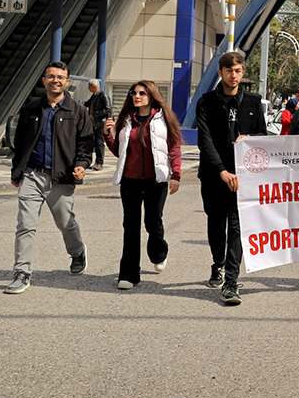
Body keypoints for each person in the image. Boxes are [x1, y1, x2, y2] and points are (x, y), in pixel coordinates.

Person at [5, 61, 92, 294]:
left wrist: (82, 165)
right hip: (32, 175)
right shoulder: (31, 109)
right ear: (44, 80)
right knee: (26, 224)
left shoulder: (78, 111)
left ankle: (77, 252)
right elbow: (21, 144)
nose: (55, 80)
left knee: (65, 223)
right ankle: (22, 273)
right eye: (51, 76)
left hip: (61, 177)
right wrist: (17, 172)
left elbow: (85, 143)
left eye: (60, 77)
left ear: (67, 81)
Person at [195, 51, 269, 305]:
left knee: (237, 227)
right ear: (220, 73)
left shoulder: (253, 102)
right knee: (216, 224)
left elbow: (262, 134)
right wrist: (221, 170)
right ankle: (218, 262)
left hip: (243, 175)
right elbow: (204, 141)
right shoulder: (206, 102)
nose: (233, 75)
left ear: (243, 72)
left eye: (237, 71)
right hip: (215, 174)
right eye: (229, 71)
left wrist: (250, 140)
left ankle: (231, 282)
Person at [104, 80, 182, 290]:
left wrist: (176, 174)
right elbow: (119, 151)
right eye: (134, 93)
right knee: (130, 225)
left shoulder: (164, 118)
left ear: (151, 96)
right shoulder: (126, 119)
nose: (136, 96)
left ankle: (158, 253)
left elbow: (173, 148)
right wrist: (106, 135)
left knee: (152, 221)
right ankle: (129, 274)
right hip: (130, 180)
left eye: (142, 93)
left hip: (156, 179)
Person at [85, 78, 110, 170]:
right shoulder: (94, 96)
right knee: (94, 142)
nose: (88, 88)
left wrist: (95, 115)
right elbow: (87, 103)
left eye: (89, 86)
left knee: (99, 143)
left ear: (93, 86)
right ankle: (95, 162)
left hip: (101, 123)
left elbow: (108, 109)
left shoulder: (103, 95)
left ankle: (100, 163)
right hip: (95, 124)